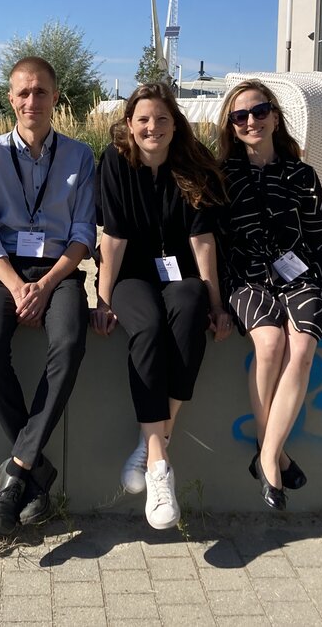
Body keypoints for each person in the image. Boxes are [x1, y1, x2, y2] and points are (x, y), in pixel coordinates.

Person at [91, 82, 232, 530]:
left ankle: (151, 449)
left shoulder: (194, 165)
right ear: (129, 124)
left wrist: (217, 303)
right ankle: (160, 467)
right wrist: (102, 298)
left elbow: (202, 240)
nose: (153, 127)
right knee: (148, 328)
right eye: (144, 120)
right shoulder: (114, 162)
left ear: (176, 123)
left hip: (182, 275)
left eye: (162, 119)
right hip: (132, 274)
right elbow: (112, 239)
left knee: (189, 311)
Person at [0, 56, 96, 539]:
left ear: (56, 96)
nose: (31, 101)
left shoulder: (80, 156)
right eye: (23, 92)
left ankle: (17, 471)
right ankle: (38, 473)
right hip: (1, 272)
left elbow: (84, 234)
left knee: (68, 342)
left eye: (41, 91)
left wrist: (44, 285)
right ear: (10, 98)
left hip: (58, 271)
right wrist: (17, 284)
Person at [215, 79, 322, 511]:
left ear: (275, 115)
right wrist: (215, 304)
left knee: (303, 349)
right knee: (271, 344)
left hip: (301, 276)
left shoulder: (302, 175)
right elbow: (214, 242)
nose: (251, 121)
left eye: (259, 111)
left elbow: (321, 241)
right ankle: (274, 454)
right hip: (247, 276)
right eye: (241, 116)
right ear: (232, 126)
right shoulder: (222, 177)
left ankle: (268, 458)